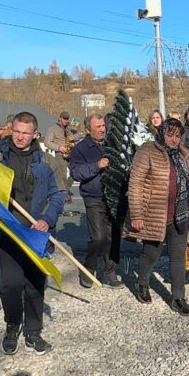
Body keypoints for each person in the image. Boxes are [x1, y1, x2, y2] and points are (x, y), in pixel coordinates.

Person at [0, 112, 65, 355]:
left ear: (35, 134)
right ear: (10, 129)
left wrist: (47, 219)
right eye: (17, 131)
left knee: (35, 285)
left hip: (37, 235)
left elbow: (57, 196)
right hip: (9, 233)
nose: (20, 137)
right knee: (11, 285)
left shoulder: (48, 162)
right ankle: (12, 324)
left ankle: (33, 332)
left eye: (26, 132)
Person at [126, 118, 189, 316]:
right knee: (151, 254)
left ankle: (178, 297)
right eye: (170, 135)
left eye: (177, 136)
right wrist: (137, 214)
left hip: (178, 214)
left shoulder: (183, 154)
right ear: (161, 133)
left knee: (178, 257)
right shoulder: (147, 150)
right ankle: (143, 283)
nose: (174, 140)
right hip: (154, 214)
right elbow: (136, 183)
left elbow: (187, 187)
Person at [69, 113, 124, 289]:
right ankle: (89, 267)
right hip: (93, 197)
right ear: (88, 130)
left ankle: (110, 273)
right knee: (98, 238)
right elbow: (76, 173)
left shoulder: (112, 145)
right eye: (98, 127)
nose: (102, 129)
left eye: (103, 126)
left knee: (113, 237)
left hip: (113, 197)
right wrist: (96, 166)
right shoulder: (81, 149)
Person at [44, 111, 81, 204]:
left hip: (71, 153)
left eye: (67, 118)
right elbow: (47, 142)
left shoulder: (70, 128)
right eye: (64, 118)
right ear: (60, 118)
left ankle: (66, 190)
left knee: (75, 174)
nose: (66, 120)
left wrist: (73, 139)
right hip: (60, 154)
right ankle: (65, 195)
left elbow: (79, 135)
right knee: (62, 176)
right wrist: (59, 147)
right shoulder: (52, 128)